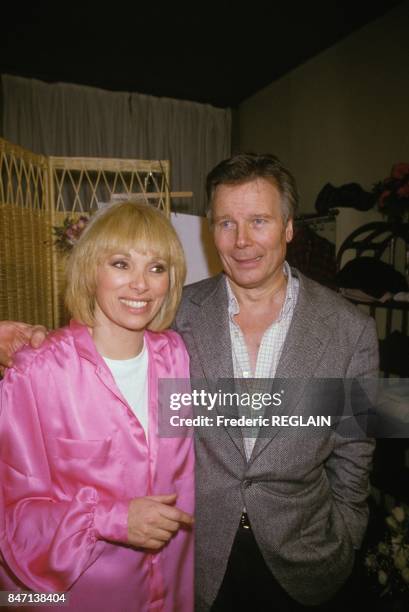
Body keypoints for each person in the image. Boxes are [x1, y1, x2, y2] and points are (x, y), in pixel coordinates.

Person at [1, 154, 378, 611]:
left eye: (258, 221)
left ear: (289, 227)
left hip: (307, 558)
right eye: (226, 223)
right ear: (210, 230)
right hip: (195, 566)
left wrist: (348, 538)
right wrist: (28, 342)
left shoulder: (348, 328)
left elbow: (355, 447)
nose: (242, 241)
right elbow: (98, 344)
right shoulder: (173, 320)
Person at [0, 201, 194, 611]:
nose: (141, 284)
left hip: (174, 592)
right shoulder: (36, 374)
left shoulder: (176, 356)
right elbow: (12, 516)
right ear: (91, 271)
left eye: (156, 267)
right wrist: (112, 518)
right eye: (122, 264)